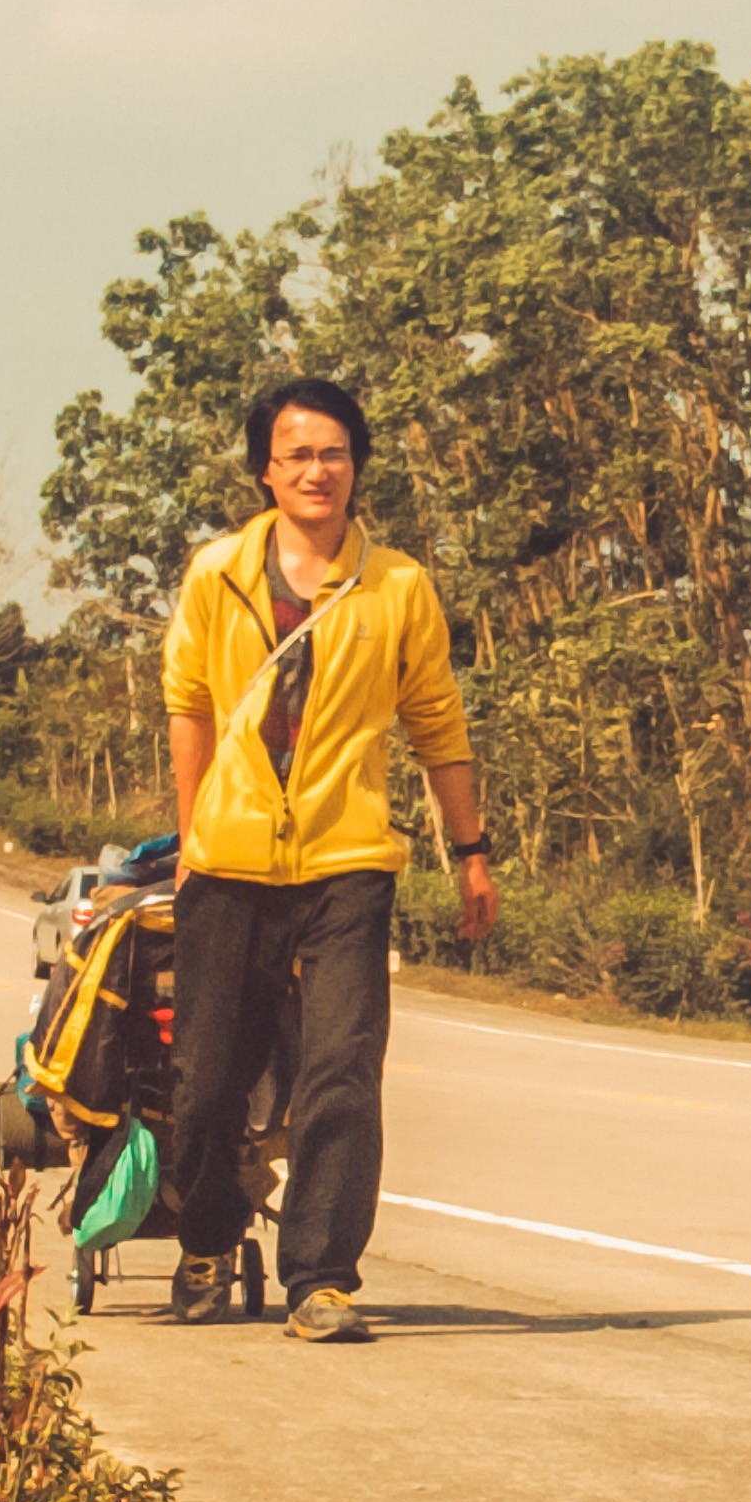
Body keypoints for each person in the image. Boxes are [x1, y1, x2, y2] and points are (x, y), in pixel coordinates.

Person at [159, 374, 499, 1338]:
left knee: (343, 1069)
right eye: (299, 454)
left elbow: (438, 723)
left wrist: (469, 852)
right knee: (209, 1076)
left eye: (336, 453)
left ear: (358, 468)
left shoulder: (398, 586)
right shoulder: (217, 572)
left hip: (349, 860)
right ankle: (210, 1238)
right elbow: (187, 704)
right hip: (226, 865)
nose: (319, 470)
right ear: (266, 470)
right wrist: (190, 837)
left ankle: (320, 1277)